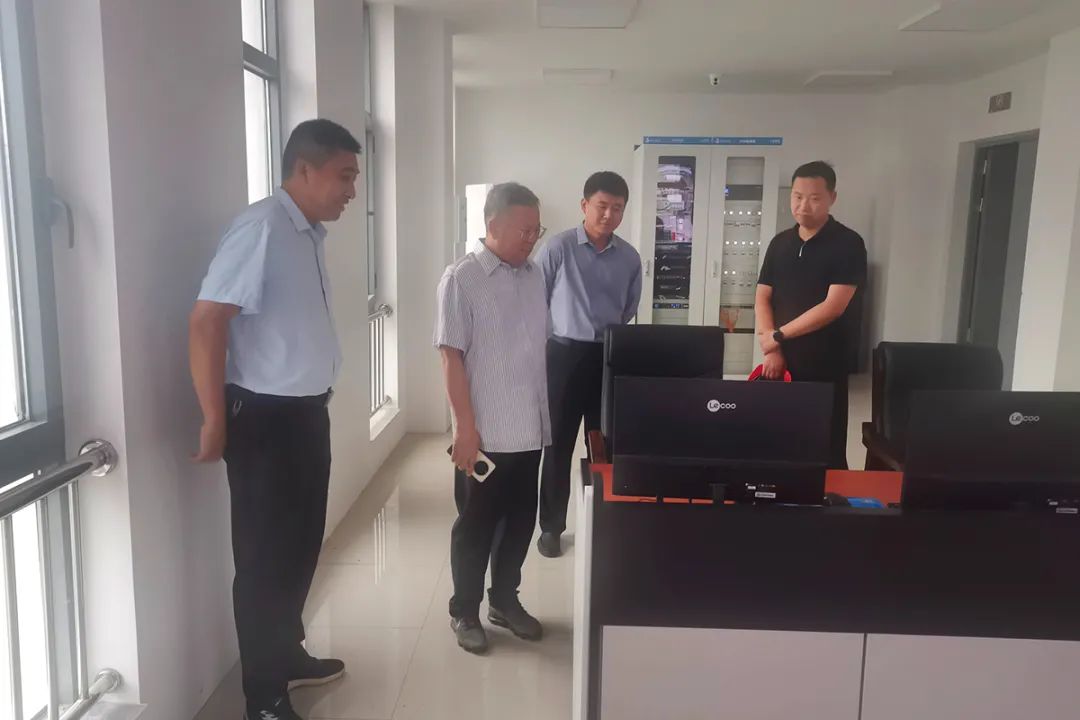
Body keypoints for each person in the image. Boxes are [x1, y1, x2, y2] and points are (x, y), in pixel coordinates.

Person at [189, 119, 361, 720]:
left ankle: (286, 653)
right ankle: (262, 697)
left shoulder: (306, 233)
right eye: (344, 176)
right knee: (264, 562)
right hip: (263, 421)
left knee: (301, 546)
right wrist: (214, 418)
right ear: (304, 169)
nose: (352, 191)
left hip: (305, 417)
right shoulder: (262, 227)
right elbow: (207, 319)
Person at [434, 182, 550, 655]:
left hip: (529, 429)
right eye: (525, 230)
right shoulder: (461, 279)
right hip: (485, 434)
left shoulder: (535, 276)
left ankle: (504, 600)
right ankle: (464, 610)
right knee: (475, 527)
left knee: (521, 523)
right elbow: (450, 357)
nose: (532, 239)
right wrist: (464, 428)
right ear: (493, 224)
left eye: (537, 230)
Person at [535, 171, 641, 558]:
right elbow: (537, 299)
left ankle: (604, 523)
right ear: (584, 205)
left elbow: (628, 308)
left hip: (608, 357)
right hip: (563, 355)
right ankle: (551, 528)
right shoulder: (558, 247)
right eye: (602, 206)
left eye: (618, 208)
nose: (609, 215)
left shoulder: (629, 257)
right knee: (557, 445)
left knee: (604, 444)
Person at [756, 161, 867, 470]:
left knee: (823, 448)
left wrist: (778, 336)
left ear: (832, 198)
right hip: (778, 361)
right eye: (797, 196)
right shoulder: (780, 243)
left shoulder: (848, 244)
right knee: (778, 443)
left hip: (825, 362)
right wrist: (772, 348)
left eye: (814, 198)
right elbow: (763, 297)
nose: (803, 205)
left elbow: (833, 306)